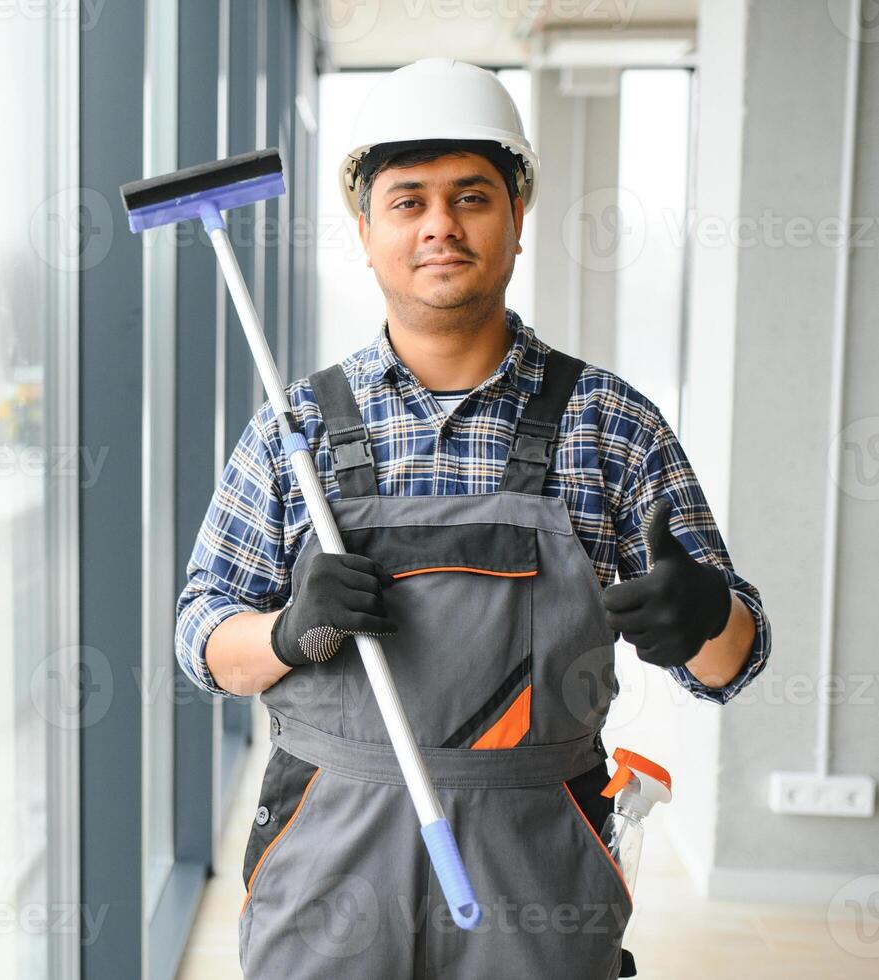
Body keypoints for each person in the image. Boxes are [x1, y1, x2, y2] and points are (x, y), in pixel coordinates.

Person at [173, 59, 771, 979]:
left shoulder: (610, 423)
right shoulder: (290, 430)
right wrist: (288, 633)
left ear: (517, 220)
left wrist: (704, 618)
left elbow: (729, 665)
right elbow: (200, 644)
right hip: (327, 855)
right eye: (407, 201)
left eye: (471, 197)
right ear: (365, 231)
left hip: (536, 857)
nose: (439, 226)